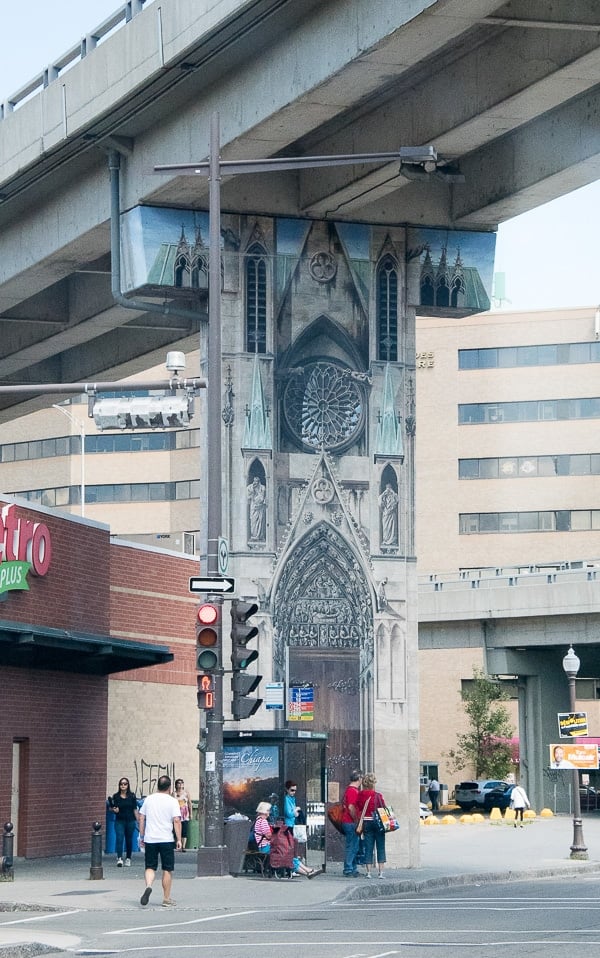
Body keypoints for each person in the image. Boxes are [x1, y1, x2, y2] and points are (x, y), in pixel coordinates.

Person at [138, 775, 182, 908]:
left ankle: (149, 886)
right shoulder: (172, 801)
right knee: (167, 869)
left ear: (157, 785)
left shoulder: (149, 800)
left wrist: (142, 835)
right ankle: (166, 898)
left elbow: (141, 818)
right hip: (166, 839)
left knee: (150, 867)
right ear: (169, 787)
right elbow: (176, 820)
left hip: (150, 838)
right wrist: (179, 839)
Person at [356, 772, 387, 879]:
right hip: (378, 823)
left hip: (366, 822)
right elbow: (383, 808)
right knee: (381, 846)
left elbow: (358, 807)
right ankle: (381, 872)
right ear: (373, 783)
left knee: (368, 847)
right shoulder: (378, 795)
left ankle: (369, 872)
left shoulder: (360, 794)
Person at [109, 776, 140, 867]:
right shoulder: (116, 796)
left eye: (125, 784)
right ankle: (119, 858)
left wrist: (138, 820)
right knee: (119, 838)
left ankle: (128, 858)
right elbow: (111, 808)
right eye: (121, 784)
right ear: (119, 785)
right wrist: (114, 810)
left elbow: (135, 809)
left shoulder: (132, 796)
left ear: (128, 785)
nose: (123, 785)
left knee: (129, 839)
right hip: (119, 820)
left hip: (130, 820)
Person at [341, 769, 364, 877]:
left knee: (355, 846)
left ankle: (353, 867)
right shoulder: (352, 791)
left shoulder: (350, 790)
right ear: (359, 778)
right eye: (361, 778)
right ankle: (348, 868)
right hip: (350, 822)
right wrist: (357, 820)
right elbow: (351, 807)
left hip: (349, 822)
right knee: (352, 846)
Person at [173, 779, 193, 850]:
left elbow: (190, 803)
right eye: (178, 783)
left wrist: (191, 814)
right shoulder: (174, 793)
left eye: (182, 783)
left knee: (184, 830)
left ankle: (183, 846)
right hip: (177, 814)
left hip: (185, 814)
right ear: (176, 785)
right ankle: (178, 845)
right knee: (176, 830)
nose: (180, 784)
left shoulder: (186, 793)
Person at [247, 476, 267, 541]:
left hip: (260, 506)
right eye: (254, 481)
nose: (255, 482)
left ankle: (259, 535)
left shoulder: (262, 488)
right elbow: (248, 496)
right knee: (253, 521)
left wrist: (257, 494)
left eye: (257, 481)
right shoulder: (251, 487)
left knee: (260, 521)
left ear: (259, 482)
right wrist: (253, 491)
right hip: (253, 506)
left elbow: (262, 497)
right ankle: (253, 535)